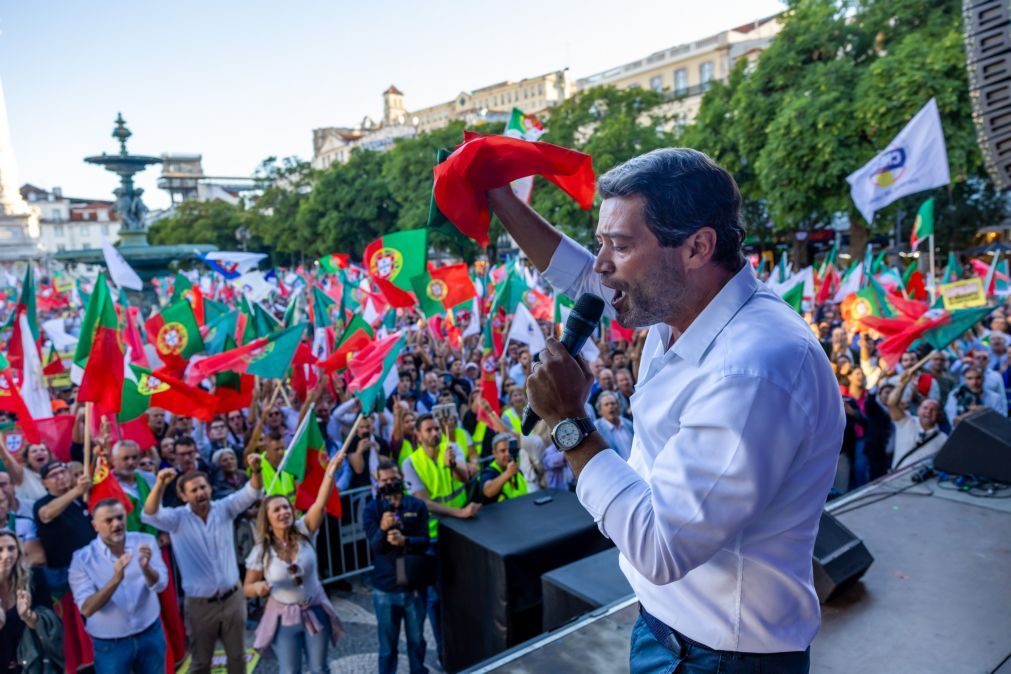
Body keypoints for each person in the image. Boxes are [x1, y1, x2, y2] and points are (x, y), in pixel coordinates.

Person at [489, 148, 843, 672]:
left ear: (697, 247)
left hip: (720, 658)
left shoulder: (752, 369)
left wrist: (568, 422)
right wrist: (498, 197)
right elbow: (581, 274)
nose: (604, 264)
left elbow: (660, 548)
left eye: (622, 246)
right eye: (601, 244)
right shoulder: (678, 307)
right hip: (673, 635)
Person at [141, 453, 264, 674]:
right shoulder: (177, 519)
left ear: (210, 489)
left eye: (203, 488)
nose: (200, 493)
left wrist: (255, 469)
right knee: (200, 662)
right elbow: (149, 514)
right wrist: (159, 483)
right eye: (194, 490)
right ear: (182, 495)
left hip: (233, 598)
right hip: (200, 605)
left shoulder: (224, 508)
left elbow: (252, 491)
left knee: (237, 658)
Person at [244, 452, 345, 674]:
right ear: (268, 519)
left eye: (286, 507)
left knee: (320, 669)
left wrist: (330, 472)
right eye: (277, 509)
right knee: (290, 671)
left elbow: (320, 502)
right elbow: (247, 588)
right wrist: (258, 588)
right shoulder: (261, 551)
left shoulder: (304, 529)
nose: (283, 512)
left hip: (315, 608)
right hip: (283, 618)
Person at [400, 414, 479, 655]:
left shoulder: (452, 447)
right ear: (419, 435)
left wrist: (454, 464)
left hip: (461, 530)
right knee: (435, 597)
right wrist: (459, 512)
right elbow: (424, 503)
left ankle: (470, 638)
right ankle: (445, 650)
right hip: (433, 535)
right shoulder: (410, 463)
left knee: (466, 586)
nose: (435, 433)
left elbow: (466, 479)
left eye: (437, 429)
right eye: (429, 430)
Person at [68, 499, 167, 674]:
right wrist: (115, 580)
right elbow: (87, 609)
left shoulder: (146, 542)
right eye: (108, 520)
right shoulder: (82, 559)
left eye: (120, 517)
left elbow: (160, 586)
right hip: (111, 645)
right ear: (95, 525)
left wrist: (146, 568)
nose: (117, 524)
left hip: (150, 634)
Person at [362, 460, 431, 674]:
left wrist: (405, 541)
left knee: (417, 640)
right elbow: (375, 546)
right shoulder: (372, 510)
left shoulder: (416, 506)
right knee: (387, 646)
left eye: (393, 479)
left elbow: (425, 541)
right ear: (378, 482)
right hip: (386, 588)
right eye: (385, 480)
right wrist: (383, 529)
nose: (390, 483)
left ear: (400, 477)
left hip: (414, 586)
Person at [0, 528, 64, 674]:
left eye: (11, 548)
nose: (6, 555)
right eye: (0, 550)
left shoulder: (34, 577)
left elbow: (51, 624)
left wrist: (28, 616)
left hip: (31, 664)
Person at [32, 461, 94, 596]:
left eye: (63, 472)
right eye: (53, 475)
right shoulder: (41, 504)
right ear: (44, 483)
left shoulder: (81, 498)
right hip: (65, 573)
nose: (60, 477)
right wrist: (77, 490)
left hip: (92, 564)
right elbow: (47, 513)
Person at [887, 369, 947, 470]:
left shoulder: (943, 439)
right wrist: (904, 383)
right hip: (896, 480)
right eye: (925, 408)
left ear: (939, 415)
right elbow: (892, 403)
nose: (928, 412)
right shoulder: (906, 421)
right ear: (918, 410)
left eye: (933, 410)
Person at [480, 433, 528, 503]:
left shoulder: (517, 466)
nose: (507, 454)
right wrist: (508, 473)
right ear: (494, 453)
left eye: (510, 450)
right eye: (503, 451)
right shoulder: (489, 472)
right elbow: (488, 491)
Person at [593, 391, 634, 460]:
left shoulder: (628, 424)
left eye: (613, 403)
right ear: (600, 410)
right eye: (606, 404)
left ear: (618, 406)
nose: (611, 406)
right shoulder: (597, 429)